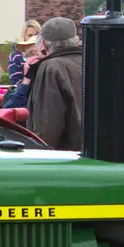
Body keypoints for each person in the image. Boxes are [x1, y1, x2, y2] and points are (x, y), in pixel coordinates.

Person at [27, 18, 84, 151]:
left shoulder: (51, 68)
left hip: (65, 159)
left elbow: (48, 123)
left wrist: (40, 154)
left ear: (44, 45)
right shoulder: (93, 62)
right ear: (76, 41)